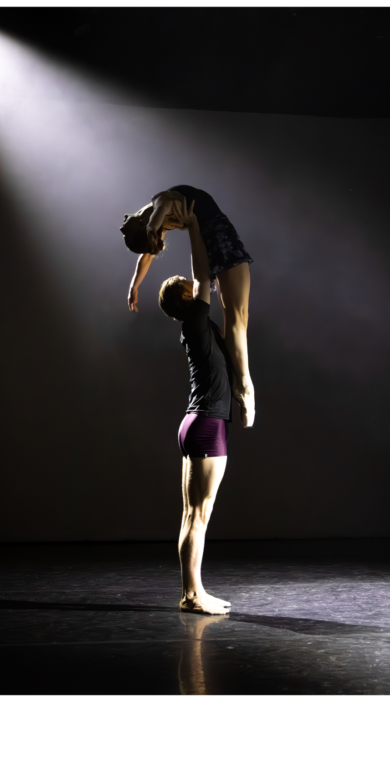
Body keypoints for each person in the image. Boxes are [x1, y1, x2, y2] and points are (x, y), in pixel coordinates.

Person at [120, 185, 255, 427]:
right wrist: (151, 231)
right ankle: (244, 385)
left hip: (211, 243)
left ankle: (240, 380)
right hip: (217, 238)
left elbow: (156, 223)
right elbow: (148, 249)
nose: (122, 221)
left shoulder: (159, 207)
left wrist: (134, 285)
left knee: (234, 320)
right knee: (237, 319)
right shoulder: (158, 207)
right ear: (141, 223)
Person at [158, 198, 234, 615]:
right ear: (186, 298)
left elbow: (206, 279)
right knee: (199, 515)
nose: (196, 285)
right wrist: (193, 229)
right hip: (205, 425)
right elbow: (203, 273)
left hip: (196, 422)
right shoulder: (195, 321)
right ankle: (192, 595)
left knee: (192, 513)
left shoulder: (195, 326)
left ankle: (192, 592)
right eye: (189, 286)